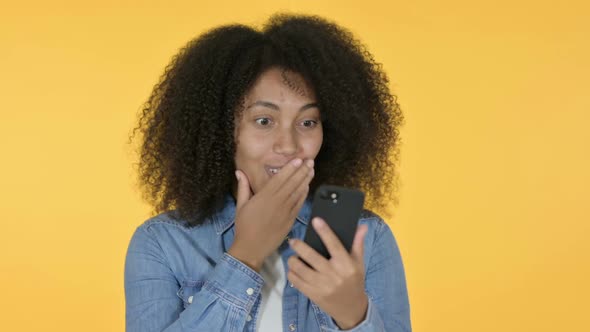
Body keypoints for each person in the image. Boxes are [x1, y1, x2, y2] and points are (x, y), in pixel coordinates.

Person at [125, 13, 411, 332]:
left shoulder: (367, 237)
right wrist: (246, 254)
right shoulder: (163, 243)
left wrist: (354, 315)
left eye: (307, 122)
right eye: (264, 121)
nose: (288, 146)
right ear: (220, 130)